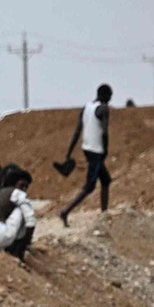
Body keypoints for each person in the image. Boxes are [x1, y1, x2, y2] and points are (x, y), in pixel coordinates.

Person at [60, 83, 114, 225]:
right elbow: (104, 132)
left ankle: (104, 213)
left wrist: (69, 153)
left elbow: (77, 132)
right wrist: (105, 150)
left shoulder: (86, 108)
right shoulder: (103, 109)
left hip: (87, 148)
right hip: (96, 151)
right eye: (109, 97)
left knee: (106, 180)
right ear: (106, 95)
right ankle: (65, 211)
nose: (110, 100)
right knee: (89, 186)